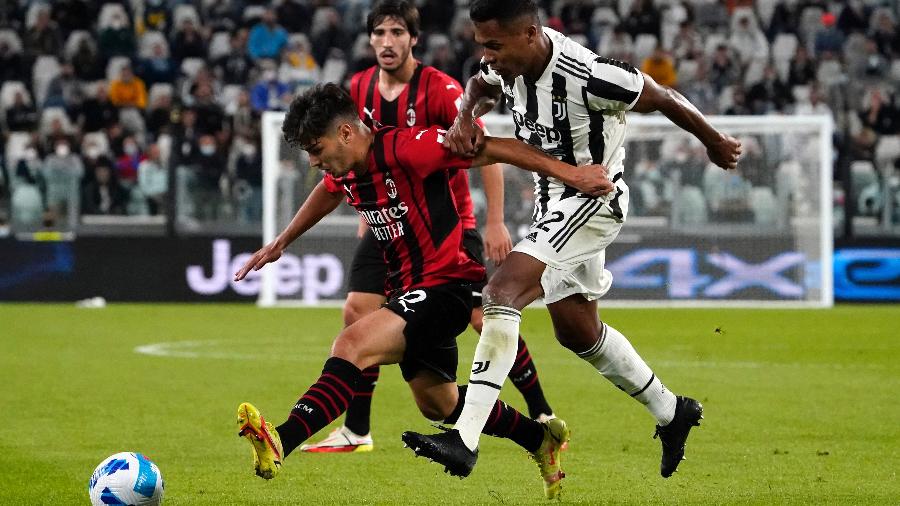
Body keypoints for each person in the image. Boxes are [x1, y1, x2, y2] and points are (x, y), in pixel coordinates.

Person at [401, 0, 742, 480]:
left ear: (530, 33)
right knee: (577, 330)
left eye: (495, 45)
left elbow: (663, 96)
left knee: (501, 292)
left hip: (596, 198)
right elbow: (479, 83)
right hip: (553, 203)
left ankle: (465, 438)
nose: (487, 55)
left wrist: (713, 140)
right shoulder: (505, 64)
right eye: (482, 44)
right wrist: (462, 119)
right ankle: (672, 411)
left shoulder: (592, 75)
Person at [232, 83, 612, 498]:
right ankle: (541, 440)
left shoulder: (410, 148)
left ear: (344, 133)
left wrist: (571, 174)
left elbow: (492, 148)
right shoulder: (346, 170)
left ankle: (281, 440)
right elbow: (327, 192)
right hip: (409, 291)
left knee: (353, 343)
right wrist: (282, 242)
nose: (314, 161)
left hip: (447, 286)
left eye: (316, 150)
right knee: (440, 405)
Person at [298, 0, 557, 456]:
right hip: (387, 225)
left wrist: (494, 219)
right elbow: (349, 163)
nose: (386, 42)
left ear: (413, 39)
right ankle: (356, 429)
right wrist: (369, 210)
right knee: (357, 311)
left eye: (396, 32)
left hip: (446, 225)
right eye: (378, 33)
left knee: (483, 316)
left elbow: (481, 149)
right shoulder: (357, 88)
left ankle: (540, 411)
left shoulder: (438, 89)